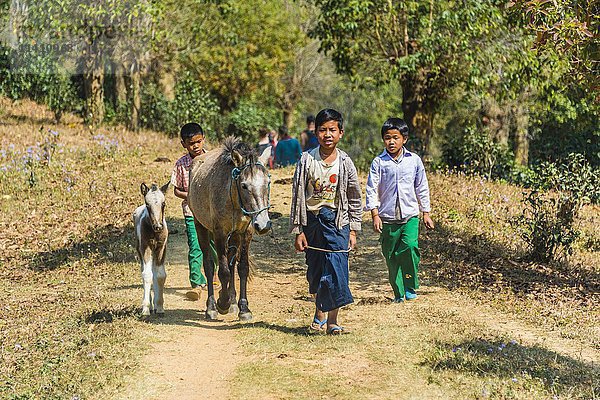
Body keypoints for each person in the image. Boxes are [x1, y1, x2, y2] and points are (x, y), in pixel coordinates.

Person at [290, 108, 362, 335]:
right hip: (312, 221)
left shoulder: (346, 162)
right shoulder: (306, 160)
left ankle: (332, 321)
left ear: (341, 133)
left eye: (332, 130)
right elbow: (297, 195)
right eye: (322, 130)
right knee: (316, 269)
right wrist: (298, 230)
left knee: (337, 269)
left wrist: (353, 229)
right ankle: (319, 312)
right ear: (316, 132)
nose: (327, 134)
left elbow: (354, 196)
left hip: (338, 222)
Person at [364, 118, 435, 303]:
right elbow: (372, 188)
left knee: (410, 248)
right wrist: (375, 214)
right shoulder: (379, 162)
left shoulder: (414, 161)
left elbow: (421, 186)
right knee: (391, 256)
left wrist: (425, 212)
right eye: (388, 138)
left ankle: (410, 285)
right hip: (387, 217)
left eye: (396, 137)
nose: (392, 142)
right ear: (383, 140)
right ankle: (398, 292)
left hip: (410, 215)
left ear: (404, 139)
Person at [171, 122, 218, 301]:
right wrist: (191, 196)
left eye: (198, 141)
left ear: (204, 139)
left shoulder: (212, 159)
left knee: (214, 245)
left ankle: (214, 275)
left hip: (211, 212)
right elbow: (176, 190)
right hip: (191, 213)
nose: (196, 146)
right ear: (183, 143)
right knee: (196, 246)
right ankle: (196, 284)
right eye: (191, 143)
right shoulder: (181, 164)